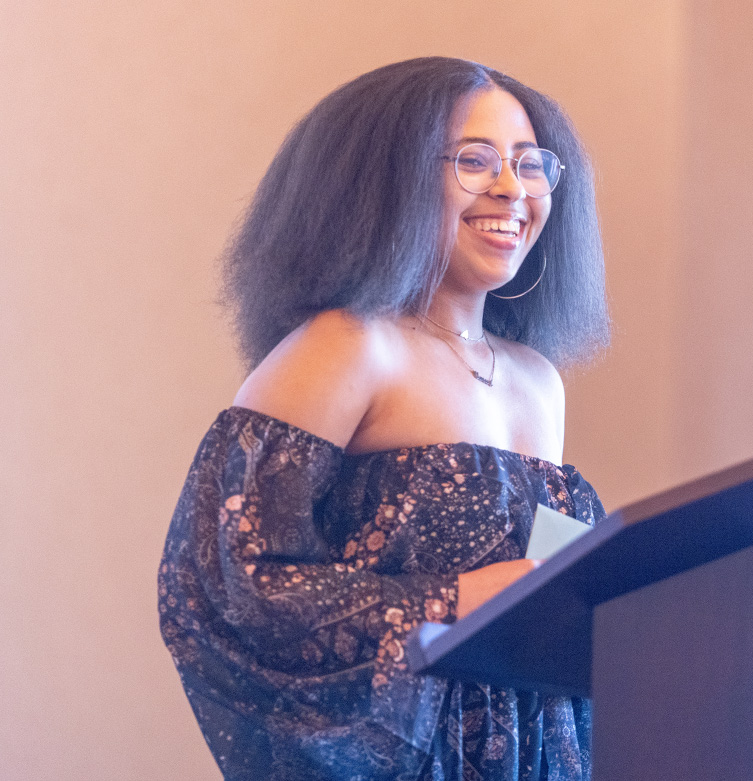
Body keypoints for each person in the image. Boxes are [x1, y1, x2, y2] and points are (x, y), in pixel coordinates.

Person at [157, 57, 610, 780]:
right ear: (382, 180)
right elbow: (225, 586)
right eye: (474, 160)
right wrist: (454, 600)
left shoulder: (538, 381)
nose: (511, 188)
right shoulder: (347, 346)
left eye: (529, 164)